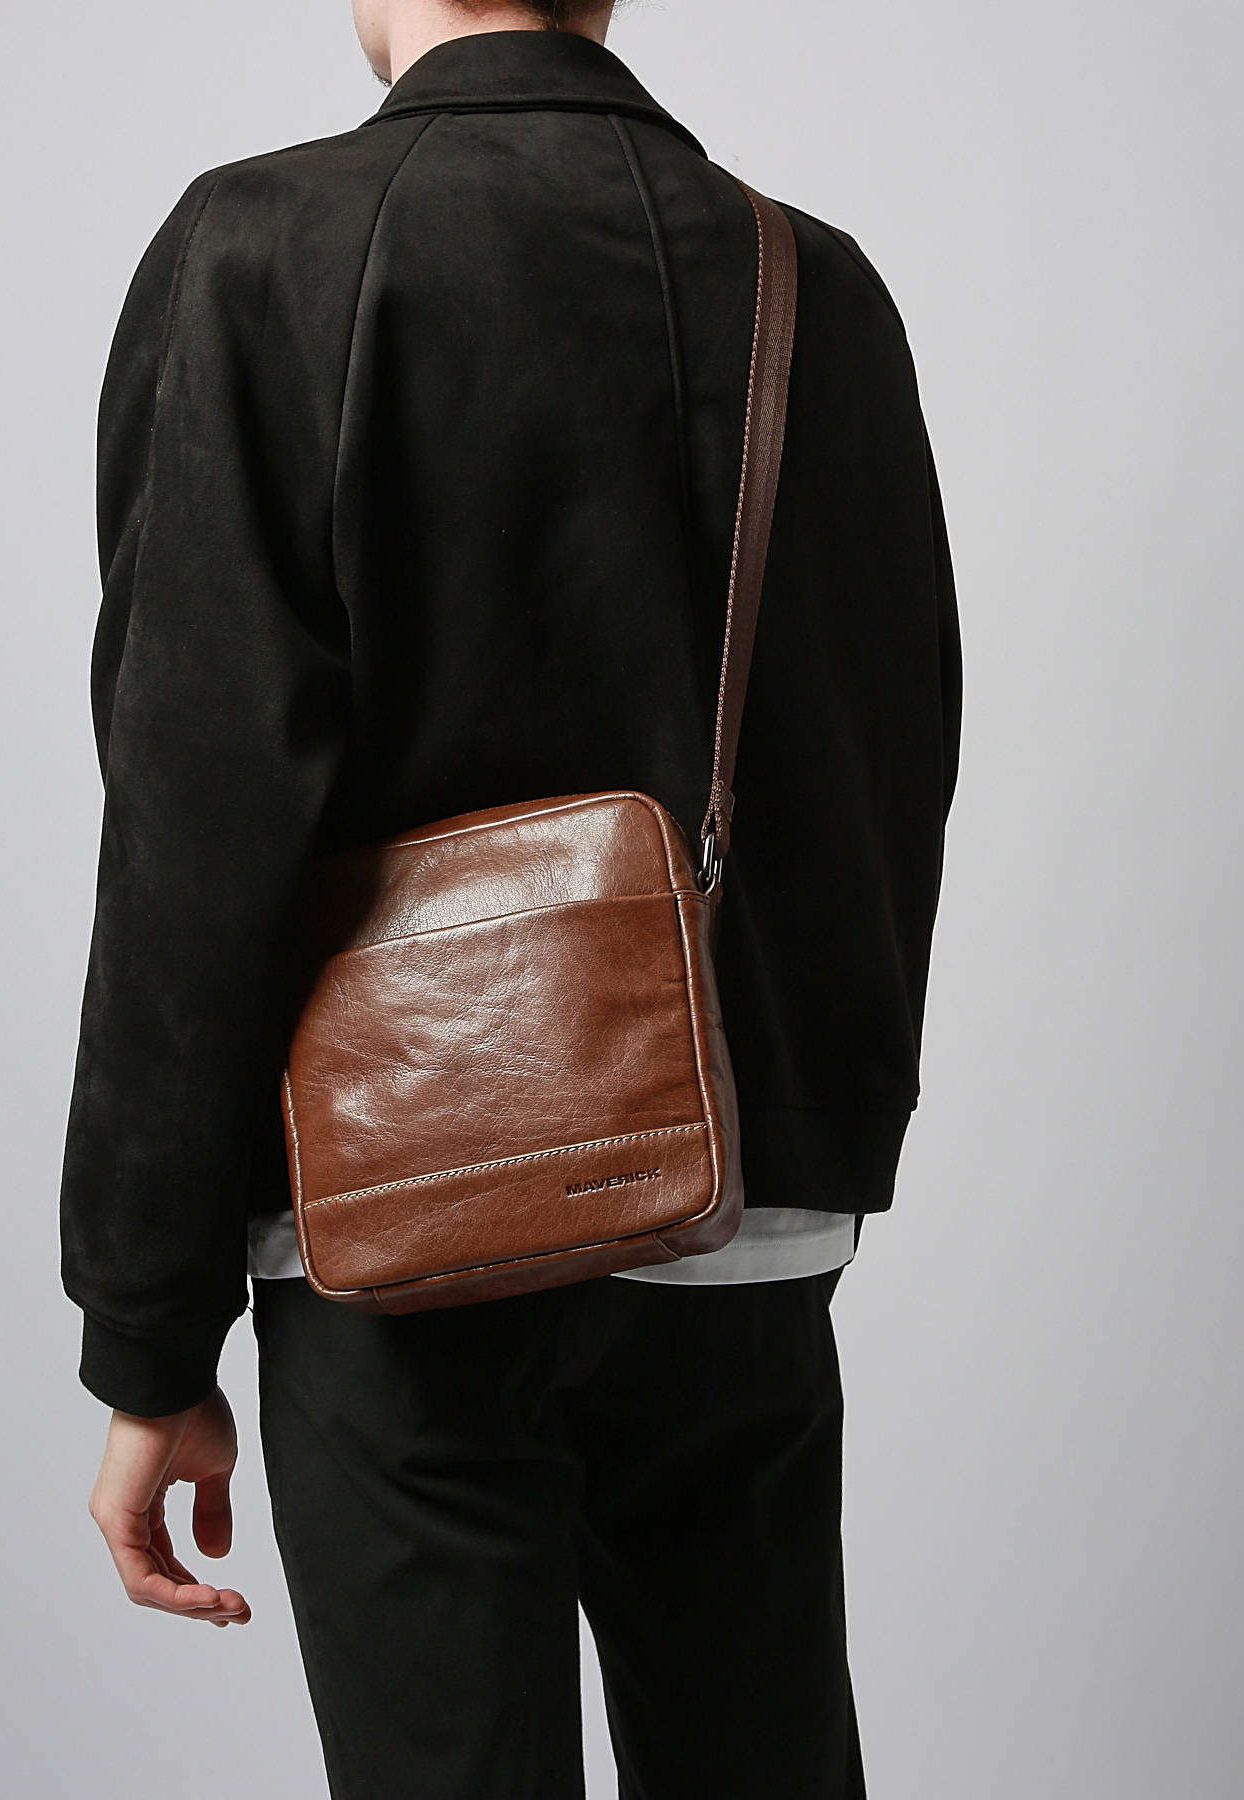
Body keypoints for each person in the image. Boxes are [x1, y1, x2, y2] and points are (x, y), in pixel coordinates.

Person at [61, 1, 963, 1793]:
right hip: (736, 1223)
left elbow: (194, 811)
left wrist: (147, 1332)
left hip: (404, 1228)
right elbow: (891, 739)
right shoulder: (814, 284)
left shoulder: (264, 250)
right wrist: (796, 1139)